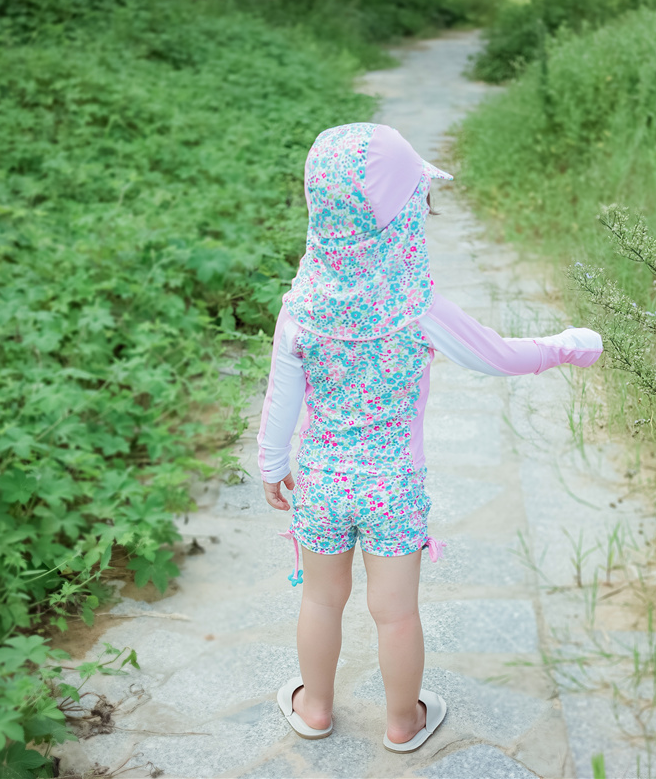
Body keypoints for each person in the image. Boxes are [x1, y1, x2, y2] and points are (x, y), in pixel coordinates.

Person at [257, 122, 602, 753]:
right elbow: (497, 356)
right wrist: (567, 346)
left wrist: (272, 464)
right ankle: (402, 722)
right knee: (396, 614)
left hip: (322, 482)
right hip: (394, 488)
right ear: (403, 220)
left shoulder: (301, 307)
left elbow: (282, 398)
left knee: (321, 601)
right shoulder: (416, 308)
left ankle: (315, 709)